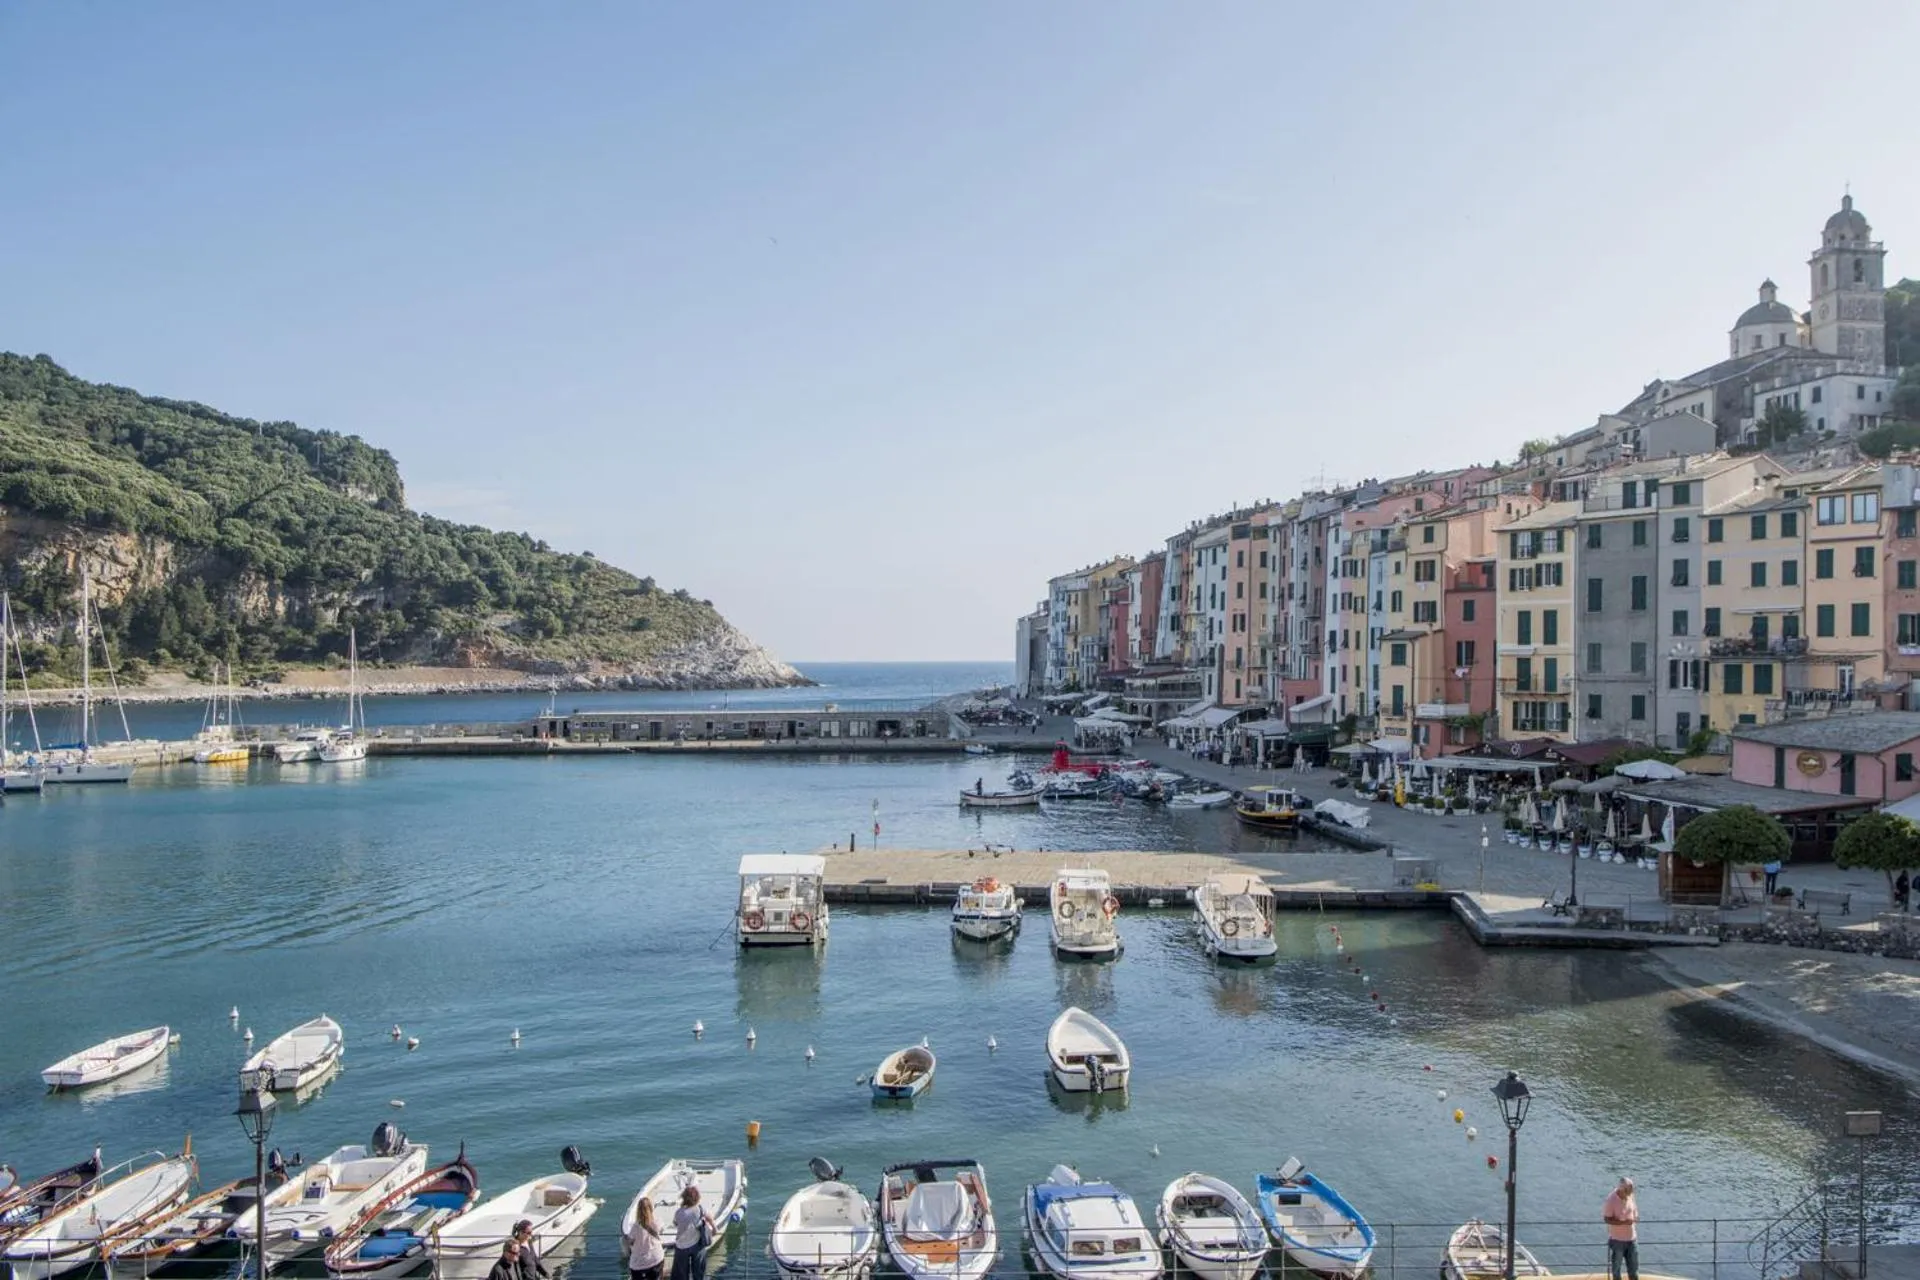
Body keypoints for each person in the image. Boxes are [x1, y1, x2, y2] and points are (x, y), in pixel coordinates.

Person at [670, 1186, 716, 1280]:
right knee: (699, 1272)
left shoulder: (678, 1212)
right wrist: (714, 1229)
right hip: (697, 1245)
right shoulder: (700, 1209)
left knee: (681, 1274)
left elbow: (675, 1223)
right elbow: (709, 1217)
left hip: (681, 1246)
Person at [1602, 1177, 1640, 1280]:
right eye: (1627, 1192)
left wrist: (1636, 1217)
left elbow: (1634, 1210)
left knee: (1634, 1269)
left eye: (1630, 1191)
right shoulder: (1611, 1200)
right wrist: (1623, 1222)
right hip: (1617, 1240)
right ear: (1621, 1189)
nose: (1629, 1194)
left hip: (1632, 1239)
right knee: (1616, 1270)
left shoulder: (1630, 1195)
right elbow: (1607, 1219)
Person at [627, 1197, 666, 1280]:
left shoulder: (635, 1227)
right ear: (651, 1208)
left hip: (639, 1263)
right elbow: (661, 1230)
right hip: (656, 1258)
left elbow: (630, 1241)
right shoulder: (657, 1221)